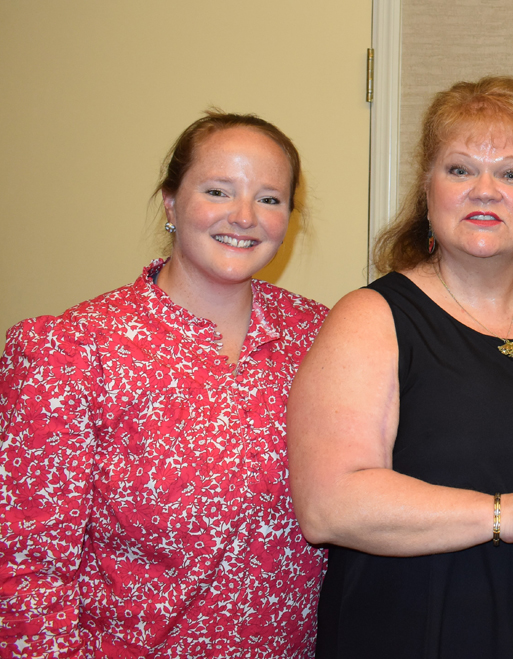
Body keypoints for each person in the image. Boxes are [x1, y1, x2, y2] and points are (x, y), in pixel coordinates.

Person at [286, 76, 513, 659]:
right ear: (427, 191)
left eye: (511, 173)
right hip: (414, 634)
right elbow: (329, 507)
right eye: (460, 170)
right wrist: (506, 512)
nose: (485, 191)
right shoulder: (371, 319)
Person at [0, 111, 328, 658]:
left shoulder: (321, 337)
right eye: (218, 191)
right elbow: (24, 572)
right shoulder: (73, 351)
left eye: (269, 199)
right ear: (171, 203)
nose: (244, 216)